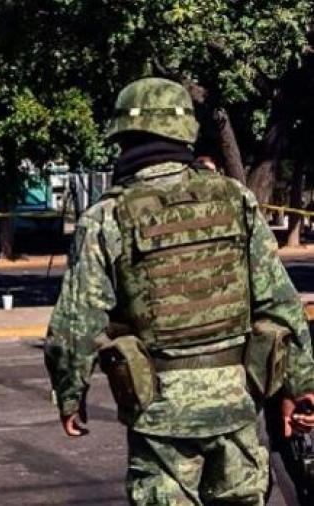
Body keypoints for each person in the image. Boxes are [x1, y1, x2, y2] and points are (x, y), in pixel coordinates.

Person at [43, 77, 314, 505]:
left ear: (122, 136)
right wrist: (301, 387)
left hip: (160, 412)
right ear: (185, 130)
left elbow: (76, 323)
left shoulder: (108, 216)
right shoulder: (235, 199)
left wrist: (70, 393)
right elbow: (280, 302)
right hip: (236, 401)